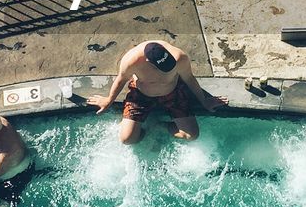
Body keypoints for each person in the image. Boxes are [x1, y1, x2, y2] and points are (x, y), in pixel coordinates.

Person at [88, 40, 227, 143]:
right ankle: (142, 130)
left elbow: (189, 78)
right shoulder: (132, 61)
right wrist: (108, 100)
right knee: (127, 140)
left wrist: (204, 101)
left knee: (192, 136)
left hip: (172, 93)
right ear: (148, 61)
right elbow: (121, 79)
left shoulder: (179, 57)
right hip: (141, 95)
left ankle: (159, 126)